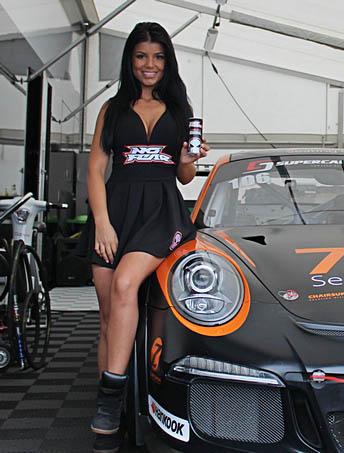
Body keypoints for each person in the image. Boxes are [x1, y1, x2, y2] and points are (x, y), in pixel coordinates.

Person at [76, 22, 209, 446]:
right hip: (114, 213)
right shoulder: (111, 110)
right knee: (108, 318)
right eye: (141, 56)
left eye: (158, 56)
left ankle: (108, 402)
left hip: (162, 214)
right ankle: (116, 403)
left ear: (167, 62)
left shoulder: (180, 110)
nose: (149, 64)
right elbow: (96, 170)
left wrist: (187, 158)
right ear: (130, 60)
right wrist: (102, 223)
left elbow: (184, 177)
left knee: (125, 284)